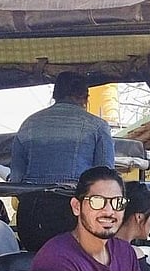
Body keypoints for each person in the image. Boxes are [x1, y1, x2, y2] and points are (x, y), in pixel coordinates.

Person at [11, 72, 116, 251]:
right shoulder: (97, 126)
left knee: (35, 268)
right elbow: (105, 179)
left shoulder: (28, 124)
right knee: (74, 269)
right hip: (73, 212)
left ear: (55, 95)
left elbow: (16, 179)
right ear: (85, 97)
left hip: (31, 213)